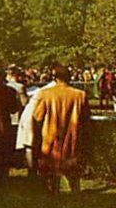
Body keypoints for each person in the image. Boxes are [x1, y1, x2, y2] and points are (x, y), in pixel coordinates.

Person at [32, 65, 91, 195]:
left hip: (50, 137)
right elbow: (86, 119)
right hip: (72, 137)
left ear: (54, 78)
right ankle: (76, 194)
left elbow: (37, 117)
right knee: (73, 169)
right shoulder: (80, 95)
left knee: (50, 170)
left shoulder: (44, 94)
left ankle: (53, 194)